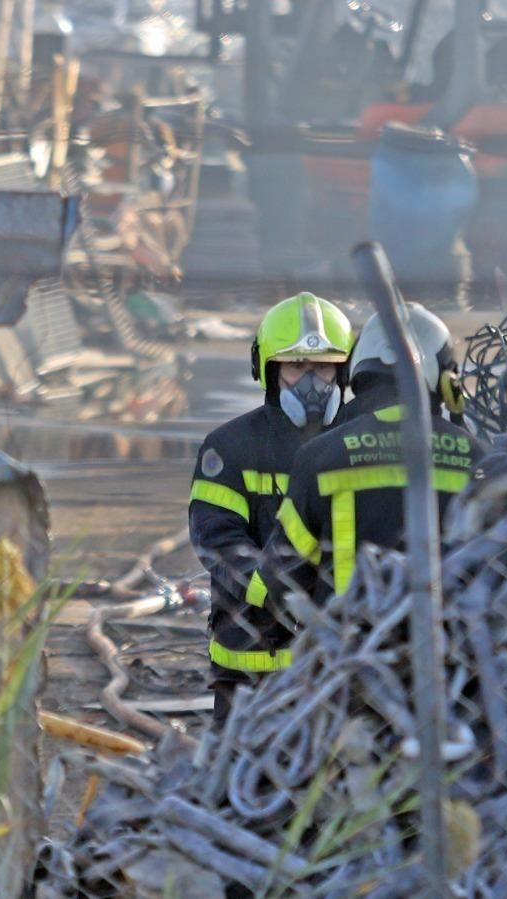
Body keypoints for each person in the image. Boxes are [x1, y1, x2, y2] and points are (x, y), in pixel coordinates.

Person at [189, 292, 354, 728]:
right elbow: (217, 540)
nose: (311, 383)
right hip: (251, 663)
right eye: (296, 366)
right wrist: (279, 592)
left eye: (322, 367)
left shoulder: (359, 446)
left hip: (343, 658)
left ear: (344, 369)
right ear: (268, 368)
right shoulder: (230, 448)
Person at [258, 302, 487, 616]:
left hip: (350, 649)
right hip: (453, 649)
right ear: (447, 383)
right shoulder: (481, 460)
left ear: (359, 372)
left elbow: (282, 578)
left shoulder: (320, 456)